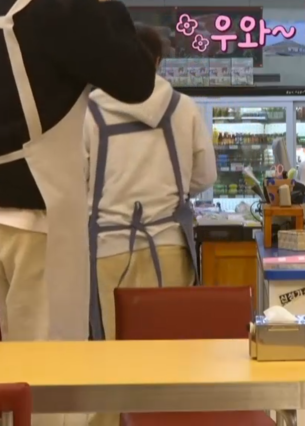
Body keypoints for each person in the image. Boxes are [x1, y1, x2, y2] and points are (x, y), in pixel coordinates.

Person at [0, 0, 159, 365]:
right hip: (37, 217)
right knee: (49, 365)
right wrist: (102, 1)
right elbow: (137, 81)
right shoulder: (61, 6)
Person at [84, 27, 216, 426]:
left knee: (110, 354)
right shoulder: (183, 107)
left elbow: (76, 181)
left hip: (108, 250)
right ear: (158, 62)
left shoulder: (89, 111)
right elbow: (204, 175)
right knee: (170, 353)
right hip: (169, 245)